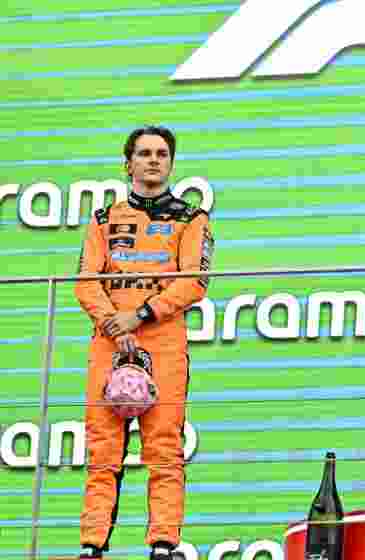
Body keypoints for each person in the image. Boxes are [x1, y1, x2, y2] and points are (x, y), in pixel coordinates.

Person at [76, 126, 213, 559]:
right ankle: (92, 545)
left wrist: (137, 315)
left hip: (163, 341)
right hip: (109, 343)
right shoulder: (103, 220)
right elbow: (85, 282)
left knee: (164, 447)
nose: (153, 160)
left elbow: (194, 282)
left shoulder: (192, 219)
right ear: (128, 163)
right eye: (144, 153)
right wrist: (115, 326)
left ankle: (162, 543)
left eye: (161, 154)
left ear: (171, 163)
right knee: (102, 448)